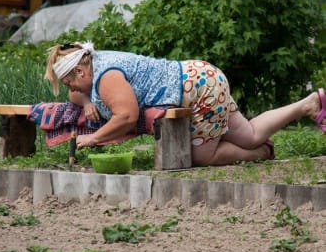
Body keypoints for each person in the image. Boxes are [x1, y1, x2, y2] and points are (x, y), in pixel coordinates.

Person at [45, 41, 326, 166]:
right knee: (249, 134)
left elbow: (127, 116)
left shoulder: (106, 77)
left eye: (70, 83)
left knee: (202, 157)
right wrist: (83, 100)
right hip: (203, 78)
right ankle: (308, 104)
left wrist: (94, 138)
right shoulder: (96, 65)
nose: (70, 90)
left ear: (80, 71)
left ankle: (259, 155)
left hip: (198, 90)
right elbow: (76, 94)